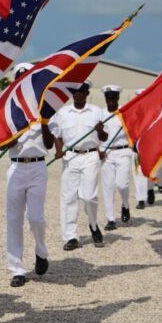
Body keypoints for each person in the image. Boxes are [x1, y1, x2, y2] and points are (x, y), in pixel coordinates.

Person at [3, 63, 54, 288]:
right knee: (14, 220)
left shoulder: (45, 107)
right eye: (20, 78)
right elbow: (5, 144)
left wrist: (44, 121)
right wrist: (17, 130)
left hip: (37, 167)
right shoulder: (9, 111)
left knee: (36, 218)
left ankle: (41, 251)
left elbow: (49, 144)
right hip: (16, 167)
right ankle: (17, 269)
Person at [50, 80, 108, 250]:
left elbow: (104, 137)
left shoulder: (97, 112)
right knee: (68, 197)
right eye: (75, 91)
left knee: (89, 196)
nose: (78, 94)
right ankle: (71, 237)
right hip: (70, 156)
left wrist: (100, 130)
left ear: (87, 93)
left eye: (81, 91)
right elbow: (58, 136)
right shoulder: (63, 113)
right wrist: (59, 150)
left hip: (90, 156)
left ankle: (93, 225)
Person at [98, 85, 132, 230]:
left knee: (122, 184)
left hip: (123, 151)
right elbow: (95, 135)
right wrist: (98, 150)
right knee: (108, 187)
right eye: (108, 97)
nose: (110, 100)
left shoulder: (125, 112)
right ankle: (110, 219)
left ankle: (125, 204)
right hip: (106, 154)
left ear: (118, 97)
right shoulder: (100, 114)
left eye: (113, 97)